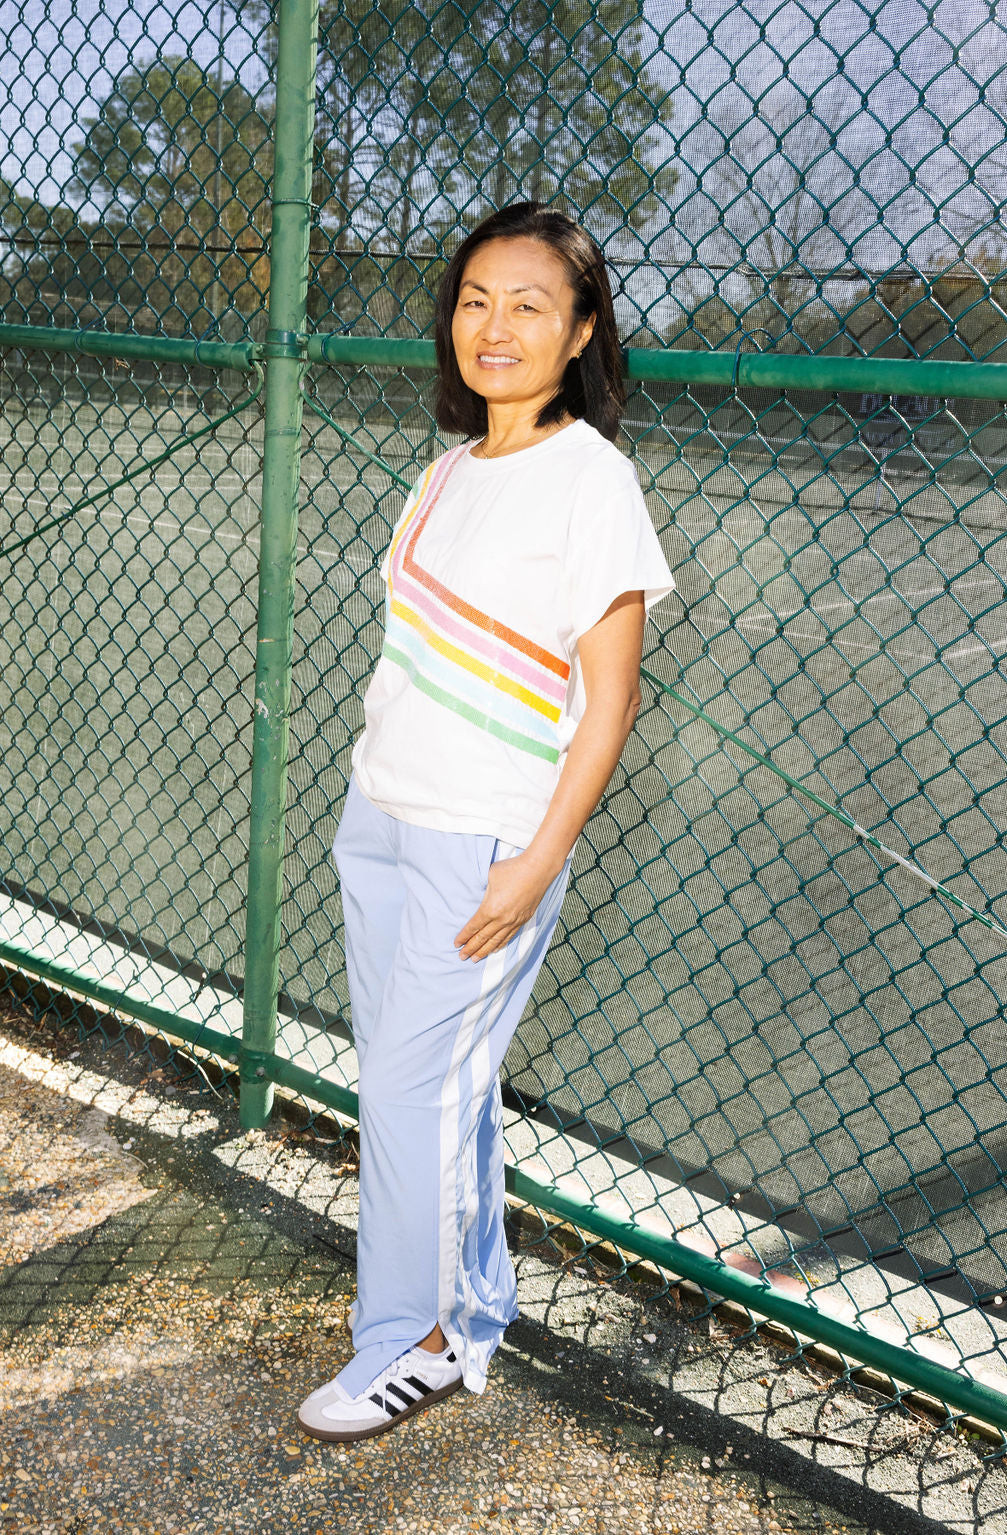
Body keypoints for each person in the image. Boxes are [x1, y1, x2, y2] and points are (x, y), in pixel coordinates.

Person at [297, 202, 675, 1443]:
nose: (494, 325)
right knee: (429, 1089)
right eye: (473, 299)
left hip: (489, 839)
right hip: (384, 815)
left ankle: (407, 1338)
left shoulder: (593, 481)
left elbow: (608, 701)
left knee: (412, 1087)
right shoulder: (445, 471)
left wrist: (537, 861)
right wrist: (369, 806)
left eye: (527, 304)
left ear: (579, 332)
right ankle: (474, 1307)